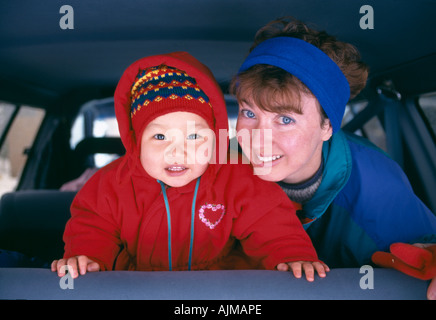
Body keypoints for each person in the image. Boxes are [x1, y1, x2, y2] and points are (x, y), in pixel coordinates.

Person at [51, 52, 328, 281]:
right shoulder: (111, 183)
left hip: (222, 288)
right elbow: (92, 227)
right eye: (159, 137)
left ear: (215, 135)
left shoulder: (237, 176)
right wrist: (88, 259)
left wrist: (293, 256)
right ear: (136, 141)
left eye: (195, 136)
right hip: (137, 286)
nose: (177, 151)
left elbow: (271, 223)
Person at [230, 17, 436, 299]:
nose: (259, 138)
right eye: (249, 113)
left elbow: (427, 244)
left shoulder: (377, 182)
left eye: (286, 119)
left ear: (327, 126)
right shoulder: (215, 165)